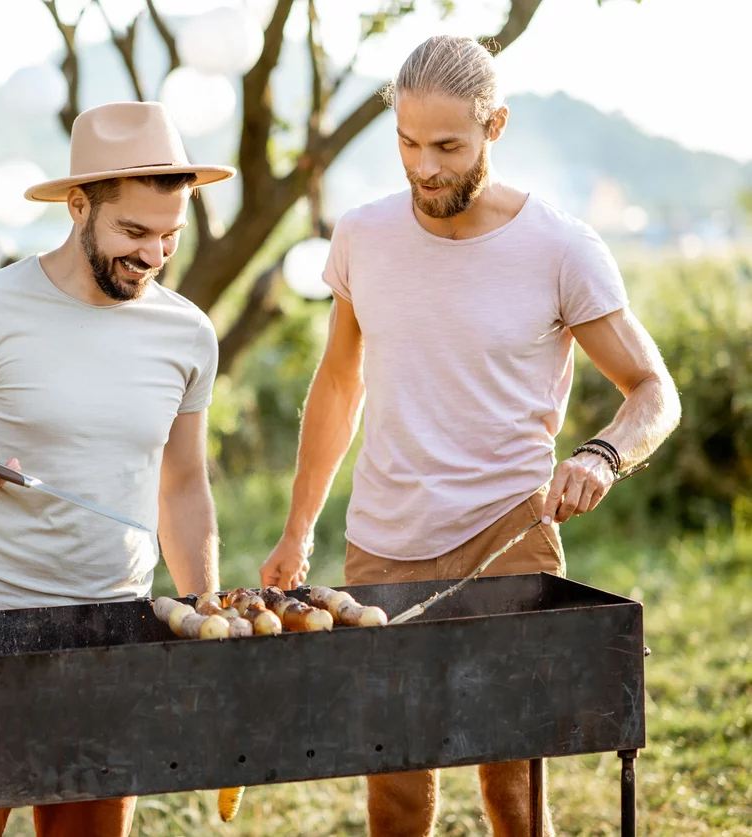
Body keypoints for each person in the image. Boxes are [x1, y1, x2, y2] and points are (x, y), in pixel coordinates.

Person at [259, 35, 680, 837]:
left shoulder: (560, 247)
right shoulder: (363, 235)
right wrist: (296, 527)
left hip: (508, 533)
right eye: (408, 145)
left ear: (497, 127)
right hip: (385, 539)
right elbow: (340, 383)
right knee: (394, 785)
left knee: (514, 789)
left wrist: (603, 452)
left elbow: (655, 391)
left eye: (448, 145)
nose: (425, 169)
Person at [0, 101, 234, 837]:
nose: (153, 254)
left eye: (170, 234)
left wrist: (205, 617)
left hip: (111, 633)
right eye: (134, 232)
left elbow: (182, 484)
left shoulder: (188, 333)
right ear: (79, 206)